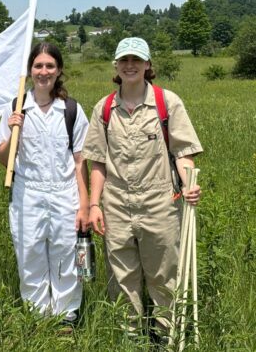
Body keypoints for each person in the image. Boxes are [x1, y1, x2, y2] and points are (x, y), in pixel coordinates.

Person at [82, 37, 202, 339]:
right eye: (124, 60)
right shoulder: (104, 108)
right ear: (117, 66)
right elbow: (98, 163)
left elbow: (183, 153)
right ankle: (129, 338)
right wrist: (95, 204)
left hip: (160, 203)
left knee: (163, 275)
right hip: (117, 205)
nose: (130, 65)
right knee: (122, 278)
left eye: (137, 60)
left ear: (148, 65)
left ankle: (166, 336)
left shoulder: (167, 102)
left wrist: (189, 186)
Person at [0, 42, 90, 322]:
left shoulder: (70, 110)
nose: (44, 72)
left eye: (50, 66)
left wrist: (84, 205)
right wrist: (15, 131)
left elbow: (80, 161)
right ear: (30, 70)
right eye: (38, 66)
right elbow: (4, 159)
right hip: (28, 193)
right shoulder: (16, 107)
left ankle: (65, 317)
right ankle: (37, 317)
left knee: (65, 256)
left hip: (64, 193)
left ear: (59, 70)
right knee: (30, 255)